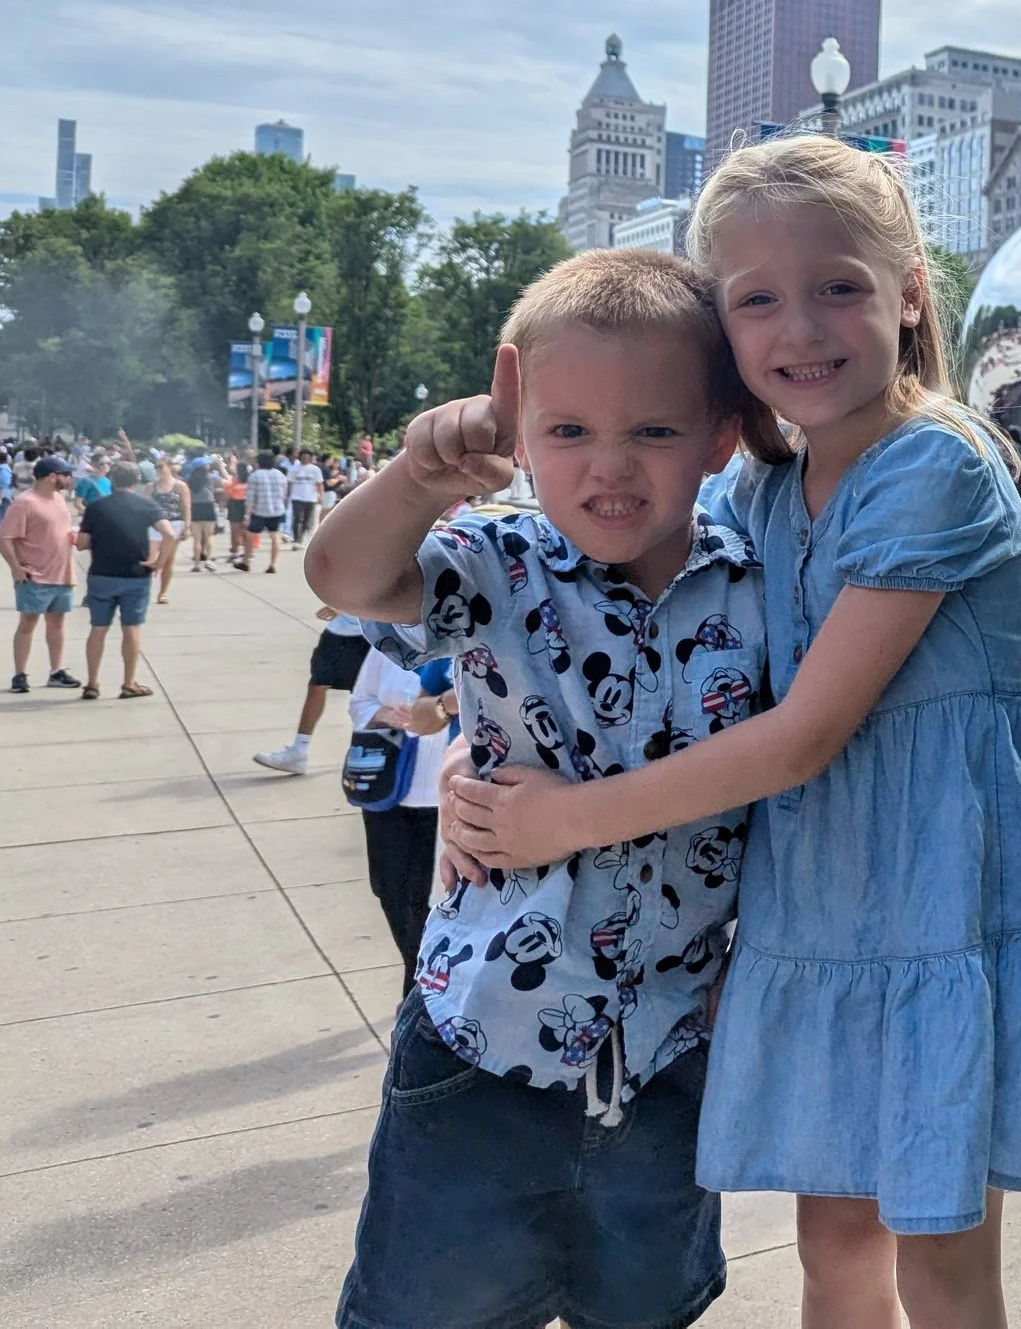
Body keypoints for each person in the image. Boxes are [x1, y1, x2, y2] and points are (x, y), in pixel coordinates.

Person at [434, 135, 1021, 1324]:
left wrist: (560, 819)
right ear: (723, 332)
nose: (798, 330)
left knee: (943, 1261)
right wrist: (481, 743)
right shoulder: (757, 491)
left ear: (909, 292)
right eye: (757, 300)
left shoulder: (936, 466)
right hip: (821, 914)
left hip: (939, 907)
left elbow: (802, 735)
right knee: (834, 1251)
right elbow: (632, 639)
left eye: (839, 287)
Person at [307, 247, 774, 1329]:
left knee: (644, 1308)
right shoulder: (493, 557)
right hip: (481, 1049)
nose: (609, 466)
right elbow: (345, 578)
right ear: (518, 435)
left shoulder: (760, 587)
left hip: (669, 1053)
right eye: (567, 431)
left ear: (716, 433)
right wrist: (420, 474)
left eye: (653, 429)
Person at [345, 648, 458, 997]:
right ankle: (419, 974)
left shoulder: (464, 648)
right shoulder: (389, 643)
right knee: (389, 889)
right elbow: (358, 702)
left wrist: (440, 707)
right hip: (388, 787)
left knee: (428, 901)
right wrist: (393, 717)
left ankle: (419, 988)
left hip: (443, 799)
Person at [251, 606, 377, 775]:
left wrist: (345, 606)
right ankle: (298, 752)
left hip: (368, 635)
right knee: (318, 685)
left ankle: (368, 752)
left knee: (363, 696)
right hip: (338, 632)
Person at [75, 461, 163, 700]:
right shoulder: (146, 505)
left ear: (112, 480)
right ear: (136, 482)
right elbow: (170, 533)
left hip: (102, 574)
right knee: (131, 628)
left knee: (98, 629)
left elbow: (82, 543)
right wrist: (159, 561)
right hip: (135, 575)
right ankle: (128, 683)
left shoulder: (96, 508)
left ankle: (92, 683)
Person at [0, 456, 80, 693]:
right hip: (34, 575)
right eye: (66, 474)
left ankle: (56, 671)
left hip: (62, 573)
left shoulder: (59, 499)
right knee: (28, 622)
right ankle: (20, 674)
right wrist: (15, 567)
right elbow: (5, 538)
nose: (69, 479)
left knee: (57, 622)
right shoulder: (25, 503)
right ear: (52, 477)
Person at [148, 456, 190, 606]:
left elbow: (186, 506)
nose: (158, 470)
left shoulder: (180, 486)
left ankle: (163, 592)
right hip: (155, 524)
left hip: (175, 524)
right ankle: (145, 589)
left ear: (169, 467)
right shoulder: (151, 486)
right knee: (150, 557)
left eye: (161, 466)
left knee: (168, 560)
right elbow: (145, 506)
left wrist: (187, 526)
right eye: (156, 467)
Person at [243, 450, 290, 573]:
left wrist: (247, 514)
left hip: (259, 510)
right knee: (275, 536)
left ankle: (246, 561)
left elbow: (250, 497)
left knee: (250, 536)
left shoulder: (255, 475)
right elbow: (284, 494)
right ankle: (273, 564)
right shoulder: (280, 475)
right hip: (277, 510)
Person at [181, 446, 220, 570]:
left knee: (196, 538)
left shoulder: (188, 480)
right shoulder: (212, 477)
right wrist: (221, 468)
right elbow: (227, 482)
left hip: (194, 507)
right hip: (208, 506)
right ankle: (209, 560)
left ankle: (197, 564)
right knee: (209, 536)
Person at [285, 445, 324, 544]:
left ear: (311, 458)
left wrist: (320, 495)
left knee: (306, 521)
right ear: (300, 457)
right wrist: (287, 496)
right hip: (296, 497)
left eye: (307, 457)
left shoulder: (315, 470)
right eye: (303, 457)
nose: (305, 459)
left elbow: (319, 484)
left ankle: (300, 536)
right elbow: (289, 484)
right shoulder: (293, 469)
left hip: (310, 498)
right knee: (297, 518)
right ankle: (296, 537)